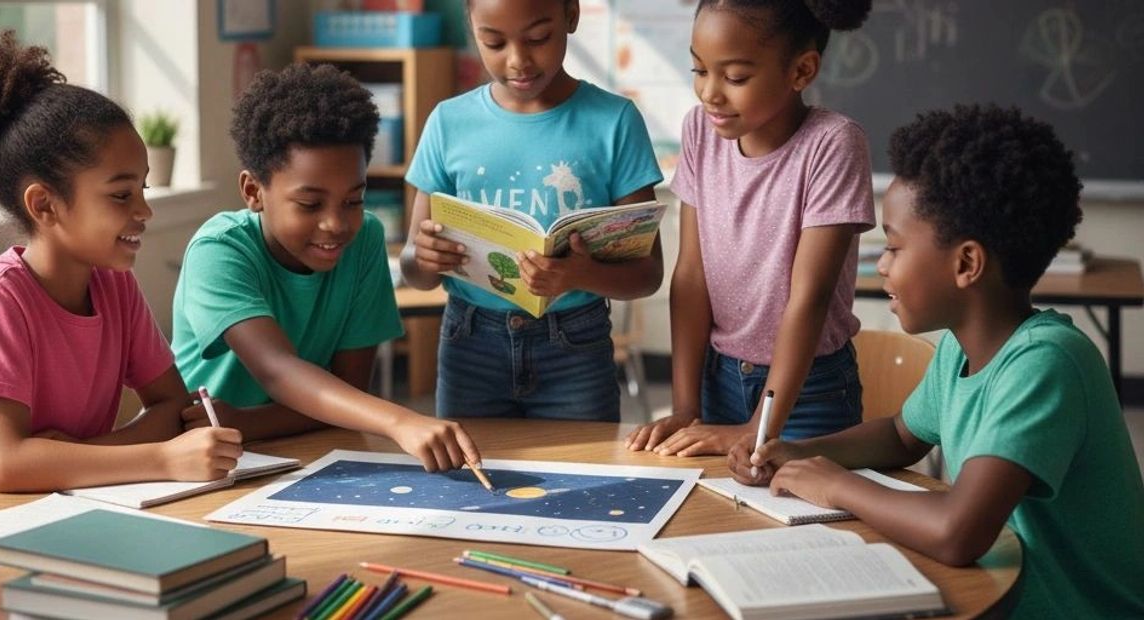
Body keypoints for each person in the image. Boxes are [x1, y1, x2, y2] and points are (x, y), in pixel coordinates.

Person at [733, 104, 1144, 618]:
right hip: (1000, 594)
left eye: (894, 247)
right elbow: (902, 436)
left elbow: (958, 533)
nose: (880, 265)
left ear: (967, 263)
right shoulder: (960, 346)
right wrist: (796, 453)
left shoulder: (1047, 363)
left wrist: (835, 484)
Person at [0, 33, 241, 529]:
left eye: (142, 188)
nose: (144, 210)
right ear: (44, 205)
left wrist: (80, 455)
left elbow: (175, 407)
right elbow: (9, 466)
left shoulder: (114, 286)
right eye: (121, 194)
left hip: (62, 512)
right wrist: (161, 458)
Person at [170, 63, 481, 472]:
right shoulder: (220, 251)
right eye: (310, 204)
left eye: (353, 200)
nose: (336, 224)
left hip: (306, 448)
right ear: (253, 192)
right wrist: (400, 419)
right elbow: (277, 370)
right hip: (206, 459)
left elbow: (349, 392)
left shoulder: (365, 238)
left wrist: (250, 423)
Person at [627, 0, 874, 456]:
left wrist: (759, 426)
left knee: (802, 521)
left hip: (807, 394)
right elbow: (691, 274)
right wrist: (685, 406)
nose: (709, 93)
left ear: (801, 71)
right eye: (699, 70)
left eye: (735, 77)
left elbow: (810, 297)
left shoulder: (833, 144)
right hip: (717, 379)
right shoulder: (700, 131)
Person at [402, 0, 664, 421]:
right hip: (470, 345)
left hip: (575, 344)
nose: (518, 61)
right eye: (494, 41)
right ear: (472, 28)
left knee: (585, 476)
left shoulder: (614, 121)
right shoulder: (448, 122)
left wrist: (580, 274)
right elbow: (416, 270)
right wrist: (425, 257)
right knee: (470, 479)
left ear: (571, 16)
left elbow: (648, 274)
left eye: (538, 38)